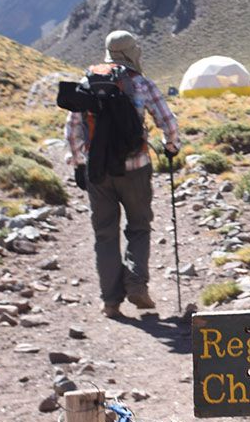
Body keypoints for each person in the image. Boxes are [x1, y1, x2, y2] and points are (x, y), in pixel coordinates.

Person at [64, 31, 180, 318]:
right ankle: (136, 283)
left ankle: (110, 301)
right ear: (132, 52)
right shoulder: (141, 83)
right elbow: (167, 120)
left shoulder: (87, 82)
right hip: (136, 167)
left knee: (105, 233)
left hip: (98, 170)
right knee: (139, 226)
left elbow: (72, 128)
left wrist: (79, 163)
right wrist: (171, 146)